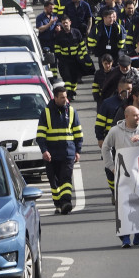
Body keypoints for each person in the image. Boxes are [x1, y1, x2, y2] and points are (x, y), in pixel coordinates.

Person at [102, 106, 139, 248]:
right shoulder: (115, 131)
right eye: (134, 115)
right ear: (126, 116)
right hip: (122, 177)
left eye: (138, 115)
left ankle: (138, 233)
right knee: (123, 206)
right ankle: (125, 238)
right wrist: (111, 167)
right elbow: (105, 147)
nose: (138, 117)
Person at [36, 86, 83, 214]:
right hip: (52, 154)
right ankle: (58, 204)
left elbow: (78, 133)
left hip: (68, 152)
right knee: (54, 182)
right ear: (55, 98)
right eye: (62, 97)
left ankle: (66, 202)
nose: (65, 99)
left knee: (66, 179)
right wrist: (44, 151)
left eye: (66, 97)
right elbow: (40, 135)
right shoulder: (46, 113)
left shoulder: (72, 111)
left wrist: (78, 151)